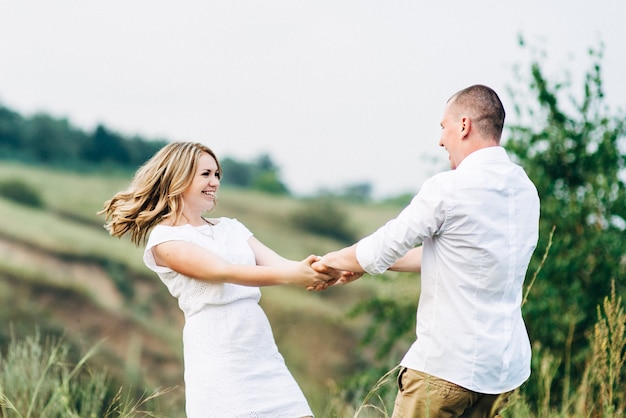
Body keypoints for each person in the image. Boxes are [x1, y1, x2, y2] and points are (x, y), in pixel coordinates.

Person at [314, 84, 540, 418]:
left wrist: (329, 262)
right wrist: (369, 265)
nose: (440, 140)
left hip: (446, 368)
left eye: (443, 127)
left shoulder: (448, 188)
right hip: (502, 372)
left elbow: (383, 246)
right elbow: (456, 257)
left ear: (464, 125)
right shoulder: (524, 189)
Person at [100, 141, 340, 418]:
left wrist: (330, 268)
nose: (214, 182)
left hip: (260, 349)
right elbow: (222, 271)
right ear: (178, 175)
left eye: (217, 175)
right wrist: (292, 276)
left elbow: (283, 265)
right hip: (218, 352)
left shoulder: (232, 227)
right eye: (206, 174)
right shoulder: (164, 240)